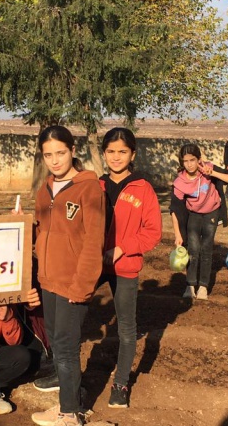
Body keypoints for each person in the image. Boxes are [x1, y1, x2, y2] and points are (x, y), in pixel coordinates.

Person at [28, 126, 106, 426]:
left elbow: (93, 241)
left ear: (73, 150)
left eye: (60, 153)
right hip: (49, 280)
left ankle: (71, 414)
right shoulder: (44, 189)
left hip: (73, 283)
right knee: (56, 345)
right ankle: (66, 403)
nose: (55, 160)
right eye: (48, 155)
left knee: (66, 346)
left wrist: (83, 286)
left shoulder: (89, 189)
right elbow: (42, 230)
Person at [98, 127, 162, 408]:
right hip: (94, 264)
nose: (116, 157)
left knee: (126, 328)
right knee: (71, 315)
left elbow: (153, 231)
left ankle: (121, 383)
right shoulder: (94, 185)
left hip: (124, 266)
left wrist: (123, 248)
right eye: (111, 151)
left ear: (132, 154)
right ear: (103, 153)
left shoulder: (142, 188)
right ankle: (63, 372)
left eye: (122, 151)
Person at [172, 143, 228, 300]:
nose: (189, 164)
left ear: (199, 159)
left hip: (211, 214)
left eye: (192, 160)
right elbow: (174, 209)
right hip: (193, 215)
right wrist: (177, 234)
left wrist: (212, 172)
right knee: (193, 249)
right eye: (185, 161)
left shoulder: (208, 169)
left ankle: (203, 286)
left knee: (206, 249)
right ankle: (190, 285)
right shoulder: (179, 182)